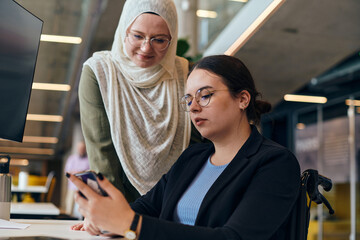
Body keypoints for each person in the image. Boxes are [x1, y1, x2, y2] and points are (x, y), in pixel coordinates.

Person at [68, 55, 301, 239]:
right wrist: (105, 219)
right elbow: (147, 207)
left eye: (205, 95)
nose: (194, 107)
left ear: (242, 99)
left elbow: (233, 237)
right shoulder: (193, 157)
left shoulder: (275, 163)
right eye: (188, 100)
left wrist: (129, 224)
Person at [78, 0, 191, 203]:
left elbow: (196, 147)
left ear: (171, 40)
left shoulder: (184, 73)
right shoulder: (99, 72)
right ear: (124, 31)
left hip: (177, 201)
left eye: (159, 40)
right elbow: (102, 153)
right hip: (121, 201)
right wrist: (114, 214)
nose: (146, 48)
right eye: (138, 36)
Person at [64, 141, 89, 216]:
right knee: (69, 209)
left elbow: (89, 172)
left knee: (82, 210)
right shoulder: (72, 159)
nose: (82, 149)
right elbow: (67, 172)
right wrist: (80, 172)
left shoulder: (88, 160)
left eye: (83, 148)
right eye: (80, 148)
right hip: (72, 187)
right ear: (78, 148)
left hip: (83, 189)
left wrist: (76, 172)